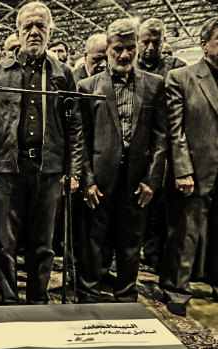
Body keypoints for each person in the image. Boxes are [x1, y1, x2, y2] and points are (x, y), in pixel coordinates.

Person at [0, 1, 84, 305]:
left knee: (43, 245)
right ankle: (10, 301)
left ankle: (38, 301)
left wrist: (73, 170)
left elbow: (74, 124)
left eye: (41, 26)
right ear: (18, 31)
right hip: (8, 169)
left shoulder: (63, 73)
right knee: (5, 244)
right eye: (28, 26)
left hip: (49, 170)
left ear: (50, 31)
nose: (34, 32)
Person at [77, 19, 167, 303]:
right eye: (118, 49)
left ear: (138, 48)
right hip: (100, 179)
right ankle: (89, 293)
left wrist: (152, 180)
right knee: (93, 241)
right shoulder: (87, 86)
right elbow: (81, 139)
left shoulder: (154, 85)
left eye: (130, 48)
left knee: (131, 241)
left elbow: (161, 137)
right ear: (108, 49)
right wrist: (87, 179)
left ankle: (126, 296)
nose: (125, 55)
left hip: (138, 180)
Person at [161, 17, 218, 316]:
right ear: (204, 44)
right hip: (196, 168)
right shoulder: (181, 77)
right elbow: (175, 130)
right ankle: (176, 289)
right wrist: (183, 170)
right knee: (185, 232)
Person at [135, 18, 187, 272]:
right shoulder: (129, 64)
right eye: (146, 41)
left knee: (161, 204)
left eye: (157, 42)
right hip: (137, 144)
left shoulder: (176, 68)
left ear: (164, 41)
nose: (151, 47)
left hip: (166, 144)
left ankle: (155, 255)